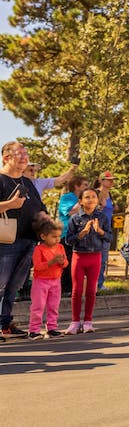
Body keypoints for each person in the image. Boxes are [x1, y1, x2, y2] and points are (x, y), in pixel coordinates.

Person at [1, 141, 47, 338]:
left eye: (26, 153)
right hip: (5, 242)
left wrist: (46, 219)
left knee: (14, 286)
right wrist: (10, 204)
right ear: (6, 157)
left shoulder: (27, 182)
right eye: (19, 153)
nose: (24, 157)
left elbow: (39, 206)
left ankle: (5, 323)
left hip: (29, 241)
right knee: (0, 285)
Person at [65, 188, 110, 334]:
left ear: (97, 200)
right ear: (81, 201)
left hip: (95, 256)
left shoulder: (102, 218)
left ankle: (88, 322)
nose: (90, 199)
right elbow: (68, 240)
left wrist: (100, 231)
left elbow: (109, 237)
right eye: (87, 197)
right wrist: (82, 233)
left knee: (91, 290)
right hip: (79, 256)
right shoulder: (75, 219)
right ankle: (75, 322)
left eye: (93, 197)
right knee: (77, 290)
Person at [28, 214, 67, 340]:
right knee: (38, 306)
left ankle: (52, 328)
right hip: (41, 282)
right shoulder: (39, 249)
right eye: (54, 237)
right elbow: (38, 266)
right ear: (43, 236)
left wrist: (62, 262)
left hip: (56, 281)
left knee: (53, 305)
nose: (57, 239)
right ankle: (34, 330)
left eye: (59, 236)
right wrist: (52, 262)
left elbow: (65, 263)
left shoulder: (60, 247)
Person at [57, 176, 87, 294]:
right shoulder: (67, 197)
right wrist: (82, 202)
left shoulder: (83, 198)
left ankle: (75, 287)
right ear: (76, 186)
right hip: (67, 234)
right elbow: (70, 212)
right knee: (67, 261)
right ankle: (65, 288)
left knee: (77, 262)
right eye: (84, 185)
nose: (87, 187)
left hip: (79, 234)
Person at [94, 170, 116, 291]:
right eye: (109, 179)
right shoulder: (96, 193)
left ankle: (100, 283)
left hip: (107, 230)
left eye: (112, 180)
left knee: (103, 258)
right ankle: (92, 282)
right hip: (97, 228)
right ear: (101, 180)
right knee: (95, 256)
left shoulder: (110, 195)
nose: (111, 182)